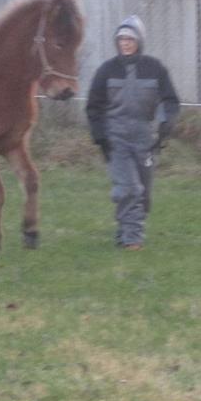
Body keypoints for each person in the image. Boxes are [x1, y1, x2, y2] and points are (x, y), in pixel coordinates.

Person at [85, 15, 180, 251]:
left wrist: (165, 124)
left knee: (143, 194)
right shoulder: (107, 70)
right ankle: (132, 240)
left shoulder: (155, 68)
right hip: (115, 137)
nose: (125, 43)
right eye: (121, 39)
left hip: (144, 138)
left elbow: (170, 101)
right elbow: (93, 107)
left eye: (130, 39)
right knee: (128, 188)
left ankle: (125, 229)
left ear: (139, 40)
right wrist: (100, 136)